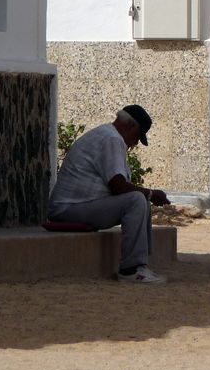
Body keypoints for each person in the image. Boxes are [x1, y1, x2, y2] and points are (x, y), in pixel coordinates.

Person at [48, 104, 171, 283]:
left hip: (76, 206)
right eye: (138, 137)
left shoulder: (106, 134)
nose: (135, 143)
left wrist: (148, 195)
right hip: (68, 209)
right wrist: (152, 194)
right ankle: (130, 270)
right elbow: (118, 186)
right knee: (137, 200)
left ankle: (140, 265)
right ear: (132, 127)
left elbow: (118, 185)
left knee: (140, 199)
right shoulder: (112, 139)